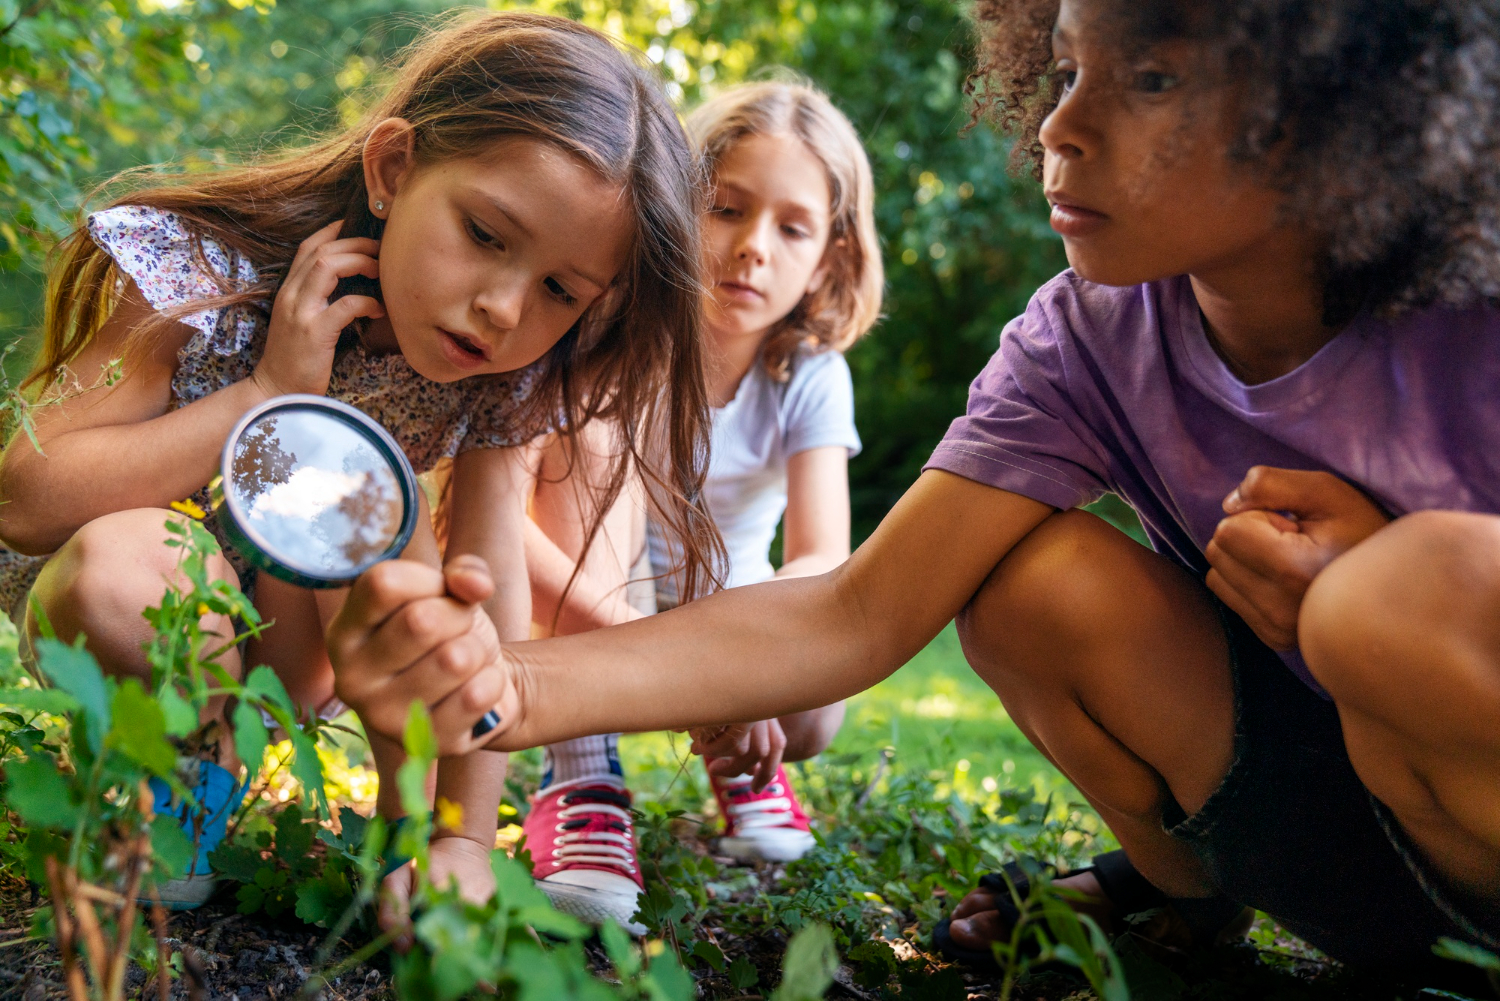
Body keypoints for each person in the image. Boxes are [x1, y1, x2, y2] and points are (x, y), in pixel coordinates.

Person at [330, 0, 1500, 973]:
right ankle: (1184, 896)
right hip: (1341, 845)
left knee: (1391, 595)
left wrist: (1387, 574)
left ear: (1336, 108)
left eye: (1149, 80)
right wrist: (500, 681)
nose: (1064, 126)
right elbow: (854, 608)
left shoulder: (1471, 316)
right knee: (1031, 584)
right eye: (1064, 69)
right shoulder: (1087, 338)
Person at [0, 11, 718, 909]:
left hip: (297, 650)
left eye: (558, 290)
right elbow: (24, 499)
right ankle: (177, 774)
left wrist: (461, 833)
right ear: (392, 170)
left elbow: (482, 595)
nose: (502, 306)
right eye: (487, 235)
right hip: (125, 604)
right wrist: (264, 394)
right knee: (134, 564)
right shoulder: (201, 272)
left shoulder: (497, 380)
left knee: (374, 510)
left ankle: (410, 834)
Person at [511, 80, 882, 932]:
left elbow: (824, 555)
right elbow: (512, 538)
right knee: (592, 452)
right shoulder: (610, 333)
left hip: (726, 607)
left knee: (818, 704)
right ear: (679, 207)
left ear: (828, 257)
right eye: (726, 208)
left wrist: (747, 674)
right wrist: (692, 681)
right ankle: (581, 770)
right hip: (585, 597)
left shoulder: (811, 374)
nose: (753, 247)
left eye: (792, 229)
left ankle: (741, 760)